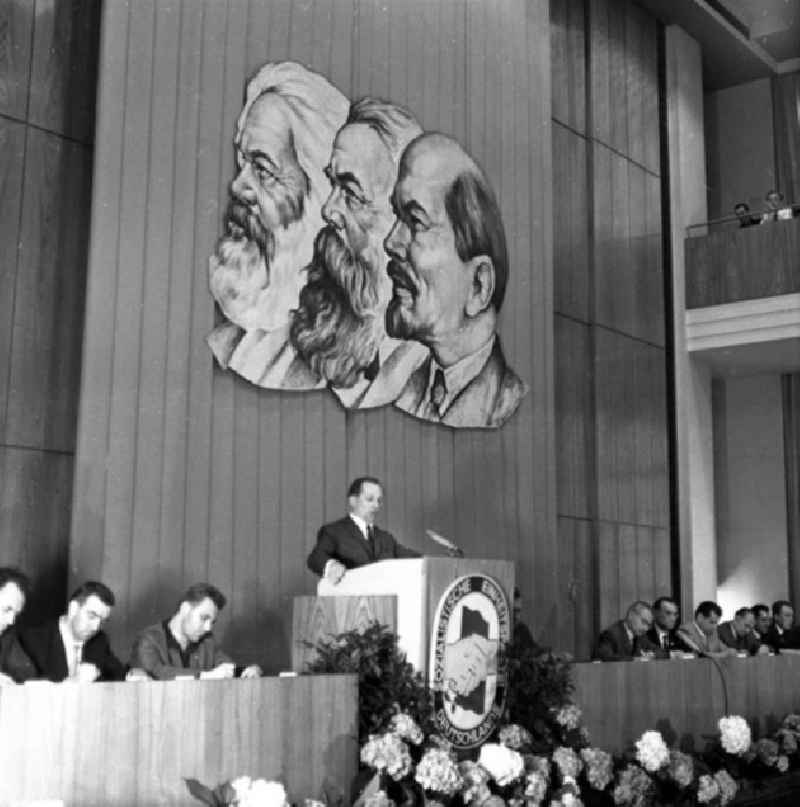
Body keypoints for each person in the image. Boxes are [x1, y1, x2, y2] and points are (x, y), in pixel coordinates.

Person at [248, 97, 427, 404]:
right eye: (333, 185)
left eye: (353, 194)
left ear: (405, 224)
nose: (329, 210)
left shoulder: (421, 375)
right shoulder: (267, 351)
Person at [206, 61, 349, 382]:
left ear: (321, 198)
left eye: (264, 170)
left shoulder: (341, 357)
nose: (238, 187)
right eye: (243, 162)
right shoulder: (229, 345)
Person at [385, 132, 527, 428]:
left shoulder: (504, 401)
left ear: (478, 285)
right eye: (397, 217)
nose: (390, 242)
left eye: (416, 222)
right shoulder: (403, 387)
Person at [129, 583, 262, 680]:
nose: (208, 628)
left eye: (212, 622)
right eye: (204, 618)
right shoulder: (149, 639)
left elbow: (225, 666)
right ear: (185, 609)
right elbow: (156, 673)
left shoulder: (207, 640)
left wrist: (248, 671)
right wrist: (205, 676)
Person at [306, 476, 420, 584]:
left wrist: (433, 562)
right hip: (350, 601)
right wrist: (331, 566)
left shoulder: (386, 538)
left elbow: (415, 558)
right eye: (370, 499)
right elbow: (316, 557)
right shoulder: (334, 531)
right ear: (353, 501)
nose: (376, 505)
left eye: (379, 500)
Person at [19, 581, 137, 682]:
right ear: (73, 609)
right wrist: (75, 681)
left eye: (103, 621)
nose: (96, 627)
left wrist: (134, 675)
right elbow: (29, 689)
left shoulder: (99, 641)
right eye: (92, 616)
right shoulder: (34, 639)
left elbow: (119, 674)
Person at [0, 567, 37, 685]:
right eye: (7, 609)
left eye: (16, 614)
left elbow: (27, 673)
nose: (11, 621)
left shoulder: (6, 635)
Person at [593, 601, 657, 661]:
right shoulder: (611, 634)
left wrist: (653, 654)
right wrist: (635, 660)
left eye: (648, 625)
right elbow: (605, 657)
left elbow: (661, 652)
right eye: (644, 622)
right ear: (631, 615)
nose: (646, 628)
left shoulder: (641, 636)